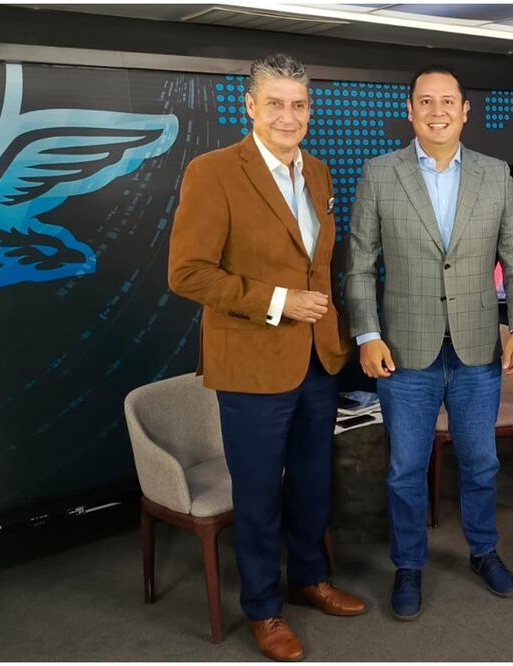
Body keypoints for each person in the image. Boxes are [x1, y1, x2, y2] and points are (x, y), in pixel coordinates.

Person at [168, 53, 366, 661]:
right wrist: (278, 300)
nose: (288, 115)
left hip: (317, 358)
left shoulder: (320, 173)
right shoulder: (214, 171)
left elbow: (319, 263)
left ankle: (308, 579)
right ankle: (263, 608)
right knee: (257, 494)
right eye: (275, 103)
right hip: (253, 360)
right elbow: (187, 273)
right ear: (249, 106)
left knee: (311, 484)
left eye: (299, 104)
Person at [344, 65, 513, 621]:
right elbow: (358, 265)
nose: (437, 111)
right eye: (425, 101)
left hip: (479, 347)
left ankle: (483, 551)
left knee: (481, 462)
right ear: (410, 110)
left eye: (447, 101)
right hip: (405, 350)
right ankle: (409, 564)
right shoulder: (381, 173)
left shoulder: (495, 173)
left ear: (465, 110)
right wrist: (367, 334)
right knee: (406, 468)